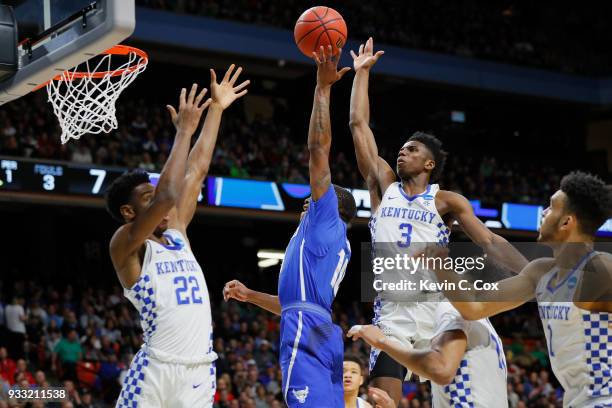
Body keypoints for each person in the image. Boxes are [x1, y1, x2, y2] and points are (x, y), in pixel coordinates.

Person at [348, 37, 528, 405]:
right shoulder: (385, 185)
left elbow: (489, 242)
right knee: (383, 399)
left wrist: (532, 274)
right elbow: (357, 124)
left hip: (438, 305)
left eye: (412, 149)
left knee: (451, 391)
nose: (402, 151)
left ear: (429, 164)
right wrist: (361, 74)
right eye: (401, 148)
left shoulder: (446, 200)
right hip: (393, 310)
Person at [105, 65, 249, 407]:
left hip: (199, 371)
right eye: (146, 198)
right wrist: (184, 131)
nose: (158, 202)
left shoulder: (177, 231)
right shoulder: (125, 243)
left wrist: (216, 109)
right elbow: (167, 195)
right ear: (129, 213)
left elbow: (196, 171)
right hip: (155, 371)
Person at [223, 45, 357, 407]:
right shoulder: (331, 241)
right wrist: (250, 296)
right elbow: (294, 304)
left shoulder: (324, 218)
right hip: (320, 327)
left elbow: (317, 148)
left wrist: (322, 88)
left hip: (307, 330)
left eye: (315, 198)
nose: (308, 200)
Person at [430, 171, 612, 407]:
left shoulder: (600, 267)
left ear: (567, 222)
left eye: (551, 207)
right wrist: (439, 265)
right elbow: (473, 306)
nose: (544, 212)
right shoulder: (540, 273)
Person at [348, 301, 508, 407]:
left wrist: (381, 341)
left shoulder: (452, 308)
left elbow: (440, 370)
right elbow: (528, 279)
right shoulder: (490, 333)